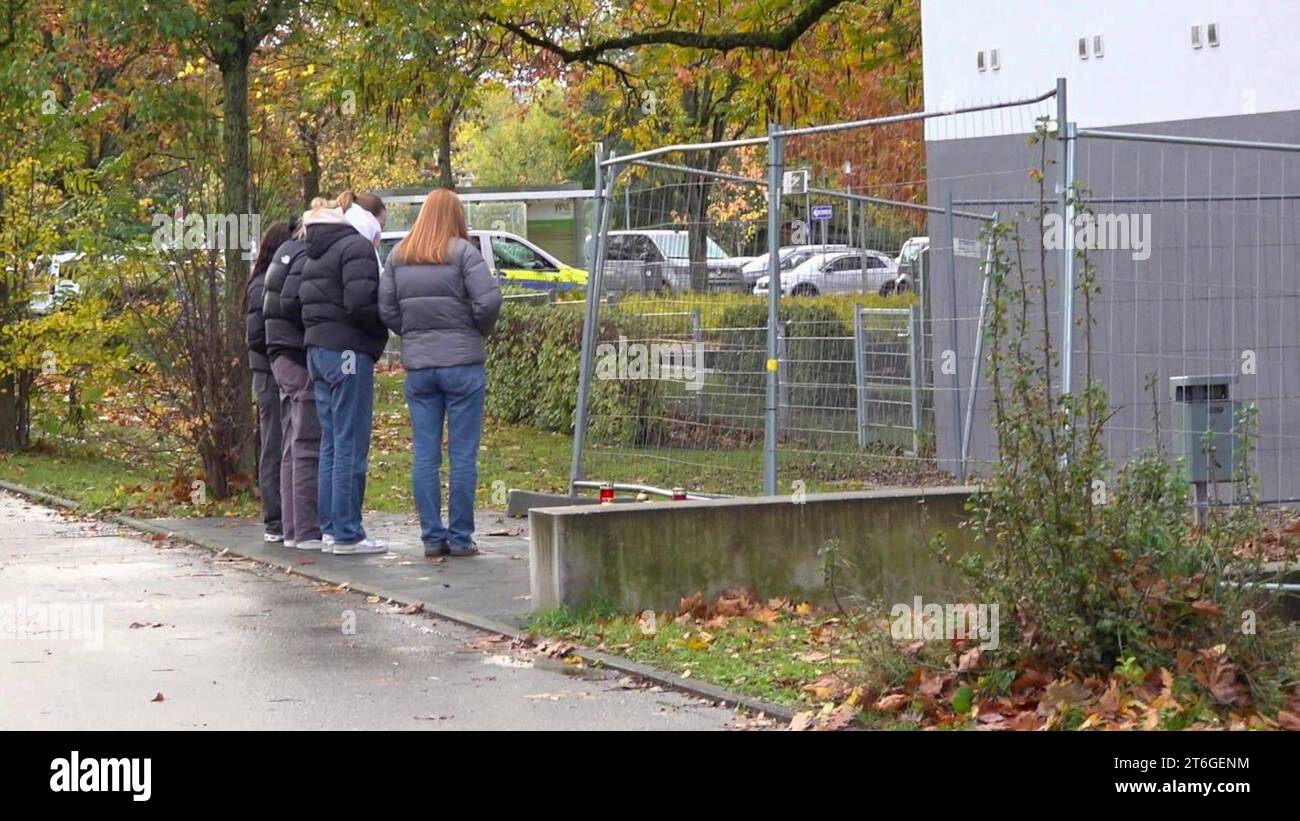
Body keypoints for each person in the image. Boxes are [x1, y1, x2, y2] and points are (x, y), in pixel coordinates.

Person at [379, 189, 501, 557]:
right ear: (455, 216)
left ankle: (432, 538)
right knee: (463, 455)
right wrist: (475, 328)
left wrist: (412, 333)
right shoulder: (463, 253)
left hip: (420, 369)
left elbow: (386, 309)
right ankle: (462, 538)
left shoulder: (398, 256)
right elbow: (490, 300)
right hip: (463, 366)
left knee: (425, 455)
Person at [299, 192, 389, 555]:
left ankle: (332, 530)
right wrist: (384, 326)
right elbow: (360, 304)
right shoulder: (357, 249)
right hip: (349, 352)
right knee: (351, 442)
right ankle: (349, 532)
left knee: (332, 443)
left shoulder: (315, 251)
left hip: (317, 351)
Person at [262, 216, 321, 551]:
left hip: (280, 353)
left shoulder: (283, 255)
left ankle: (290, 528)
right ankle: (306, 530)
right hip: (296, 355)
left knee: (290, 445)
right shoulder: (301, 256)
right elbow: (294, 302)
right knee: (306, 443)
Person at [245, 221, 293, 544]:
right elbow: (257, 335)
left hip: (268, 370)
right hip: (268, 373)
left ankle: (280, 516)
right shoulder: (263, 285)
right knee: (274, 443)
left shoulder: (263, 282)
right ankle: (274, 518)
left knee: (278, 441)